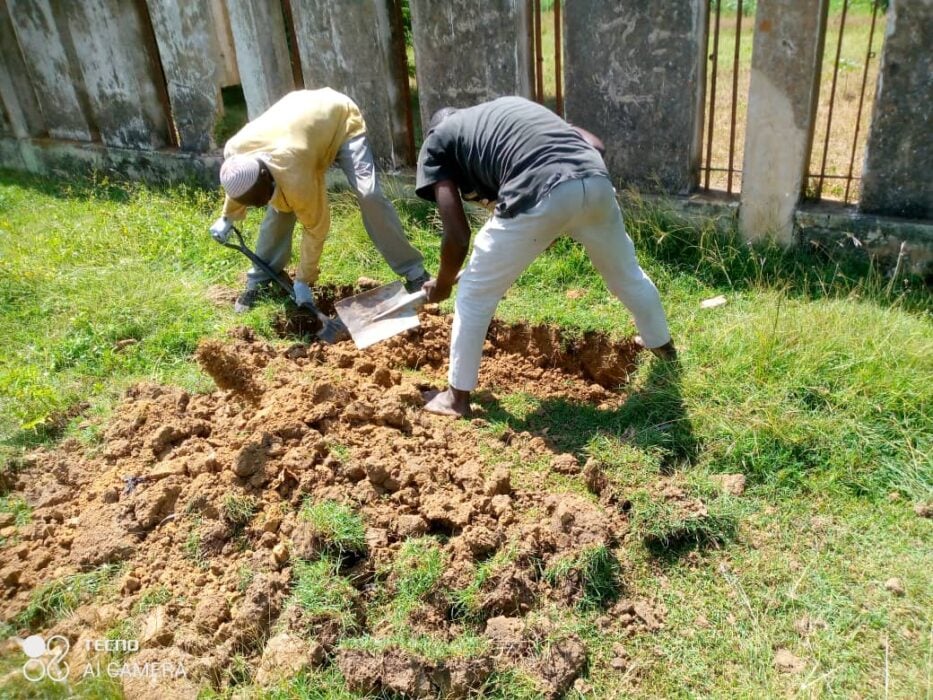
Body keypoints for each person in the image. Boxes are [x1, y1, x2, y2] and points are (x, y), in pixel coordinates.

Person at [415, 96, 676, 417]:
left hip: (539, 187)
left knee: (474, 293)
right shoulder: (505, 113)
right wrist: (553, 217)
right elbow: (596, 144)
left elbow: (457, 235)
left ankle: (456, 399)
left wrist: (442, 284)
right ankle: (664, 348)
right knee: (626, 275)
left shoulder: (438, 140)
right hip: (594, 177)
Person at [209, 88, 429, 314]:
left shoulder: (295, 175)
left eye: (260, 198)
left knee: (369, 195)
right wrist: (227, 217)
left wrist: (303, 280)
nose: (259, 205)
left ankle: (414, 271)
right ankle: (261, 277)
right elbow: (238, 179)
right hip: (298, 118)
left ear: (265, 175)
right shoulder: (235, 153)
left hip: (339, 119)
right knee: (280, 207)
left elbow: (316, 228)